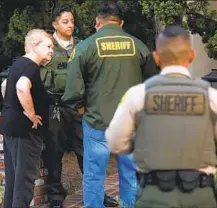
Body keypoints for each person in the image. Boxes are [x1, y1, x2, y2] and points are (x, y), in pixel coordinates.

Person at [106, 25, 217, 207]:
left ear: (156, 57)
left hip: (153, 195)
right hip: (200, 197)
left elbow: (115, 141)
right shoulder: (213, 98)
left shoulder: (137, 95)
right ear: (191, 55)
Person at [61, 2, 159, 207]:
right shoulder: (139, 46)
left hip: (97, 122)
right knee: (131, 174)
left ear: (98, 21)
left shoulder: (84, 47)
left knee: (94, 176)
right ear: (121, 22)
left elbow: (72, 91)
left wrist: (81, 110)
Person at [39, 4, 117, 207]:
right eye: (65, 21)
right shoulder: (47, 47)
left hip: (80, 108)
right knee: (54, 151)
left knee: (87, 151)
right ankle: (56, 195)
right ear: (55, 24)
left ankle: (96, 193)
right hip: (55, 106)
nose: (70, 25)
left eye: (72, 21)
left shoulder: (83, 45)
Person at [0, 29, 53, 208]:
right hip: (25, 131)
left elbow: (6, 85)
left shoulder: (17, 64)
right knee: (24, 183)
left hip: (11, 126)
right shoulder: (30, 65)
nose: (51, 50)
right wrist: (31, 114)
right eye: (48, 46)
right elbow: (22, 87)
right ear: (34, 45)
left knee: (14, 180)